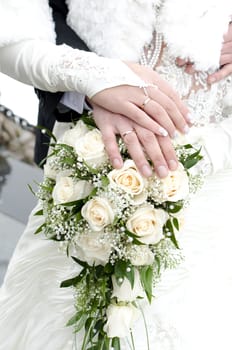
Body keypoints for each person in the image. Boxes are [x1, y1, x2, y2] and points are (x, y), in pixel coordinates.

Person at [0, 0, 232, 349]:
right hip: (92, 166)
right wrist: (97, 79)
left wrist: (203, 157)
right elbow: (10, 32)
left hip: (214, 192)